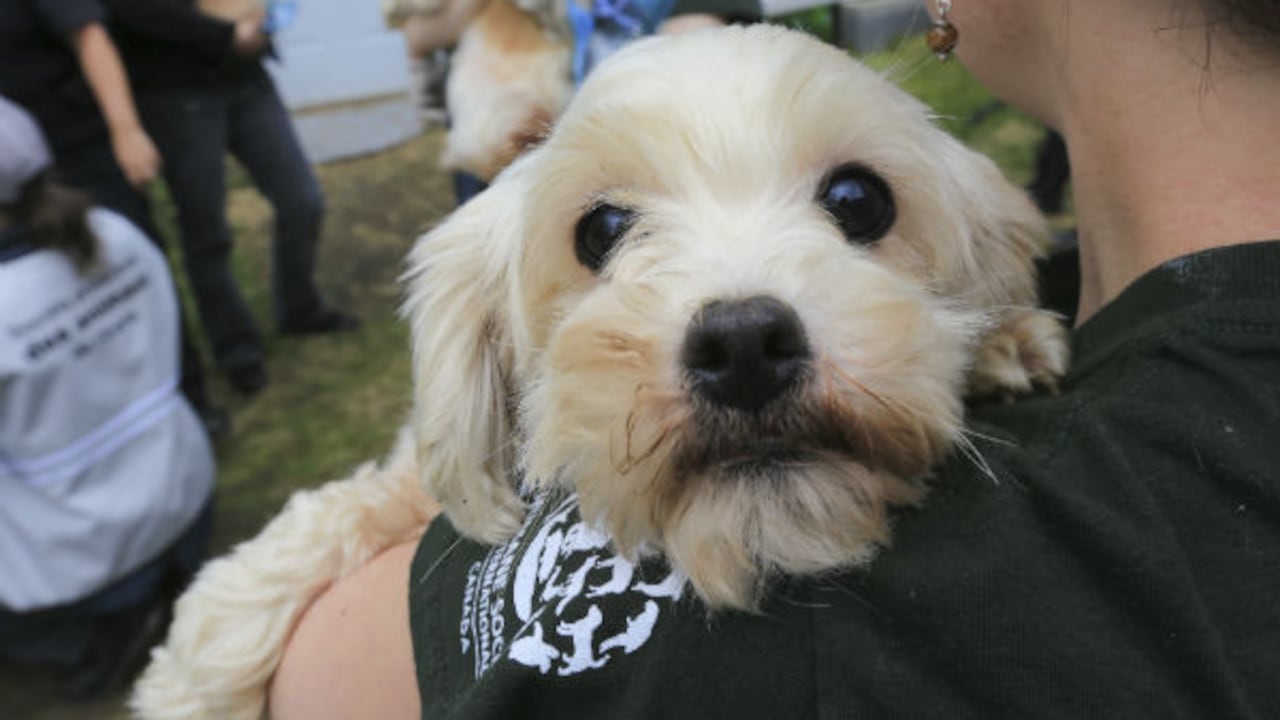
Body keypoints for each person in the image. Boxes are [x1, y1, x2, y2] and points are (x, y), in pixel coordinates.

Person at [270, 0, 1280, 717]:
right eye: (607, 233)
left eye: (853, 209)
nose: (741, 330)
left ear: (985, 270)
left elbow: (310, 673)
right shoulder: (1107, 321)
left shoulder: (818, 648)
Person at [0, 97, 216, 701]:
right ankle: (163, 588)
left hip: (78, 561)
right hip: (182, 497)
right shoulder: (116, 233)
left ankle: (104, 633)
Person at [105, 0, 360, 397]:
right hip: (176, 95)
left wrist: (265, 21)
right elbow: (134, 12)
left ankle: (299, 309)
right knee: (207, 231)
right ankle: (237, 350)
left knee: (301, 199)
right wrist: (225, 35)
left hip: (247, 80)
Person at [0, 0, 223, 432]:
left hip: (78, 152)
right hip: (10, 184)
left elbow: (90, 36)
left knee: (128, 276)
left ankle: (188, 403)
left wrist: (126, 130)